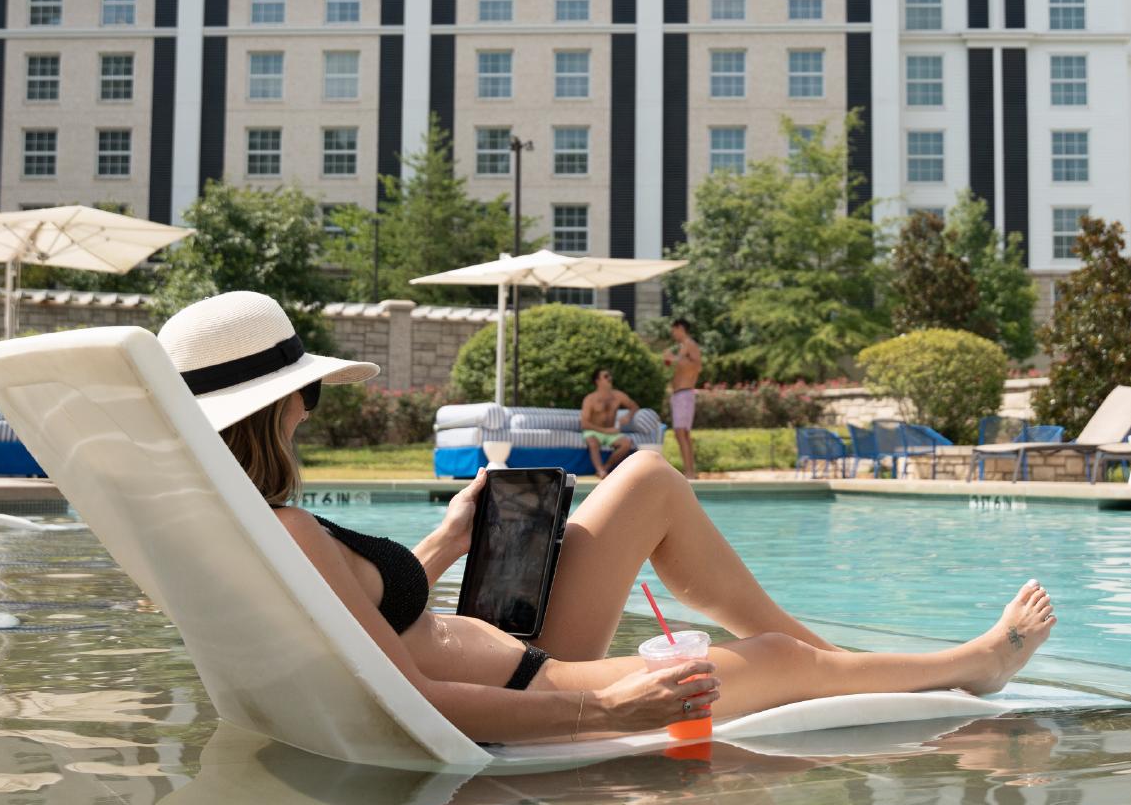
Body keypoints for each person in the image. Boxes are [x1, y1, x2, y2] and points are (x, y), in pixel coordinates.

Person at [158, 291, 1060, 745]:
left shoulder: (244, 525)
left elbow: (366, 624)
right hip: (529, 688)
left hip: (500, 639)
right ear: (279, 406)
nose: (312, 406)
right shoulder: (282, 530)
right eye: (305, 390)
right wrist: (607, 707)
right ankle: (962, 665)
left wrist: (449, 539)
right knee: (778, 659)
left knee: (647, 478)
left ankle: (824, 665)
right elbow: (414, 701)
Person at [578, 366, 639, 477]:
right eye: (606, 376)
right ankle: (599, 469)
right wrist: (606, 430)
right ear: (597, 381)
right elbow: (584, 424)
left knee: (626, 443)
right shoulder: (590, 399)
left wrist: (628, 416)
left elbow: (634, 406)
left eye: (610, 375)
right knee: (592, 442)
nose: (610, 378)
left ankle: (605, 468)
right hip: (594, 431)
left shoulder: (618, 395)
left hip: (611, 433)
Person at [662, 318, 702, 480]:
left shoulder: (689, 344)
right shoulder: (685, 348)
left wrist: (671, 358)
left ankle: (690, 471)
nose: (673, 334)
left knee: (681, 433)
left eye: (674, 330)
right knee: (683, 433)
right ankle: (690, 470)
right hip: (681, 395)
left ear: (680, 328)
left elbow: (695, 365)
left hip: (684, 394)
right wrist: (671, 360)